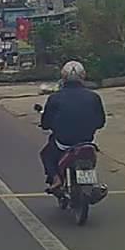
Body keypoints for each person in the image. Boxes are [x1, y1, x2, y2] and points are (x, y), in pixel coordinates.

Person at [39, 60, 106, 191]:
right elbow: (101, 122)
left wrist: (51, 125)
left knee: (46, 155)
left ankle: (56, 179)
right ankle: (91, 183)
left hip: (64, 143)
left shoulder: (55, 98)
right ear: (83, 75)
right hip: (87, 141)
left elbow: (46, 123)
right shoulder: (94, 97)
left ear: (63, 76)